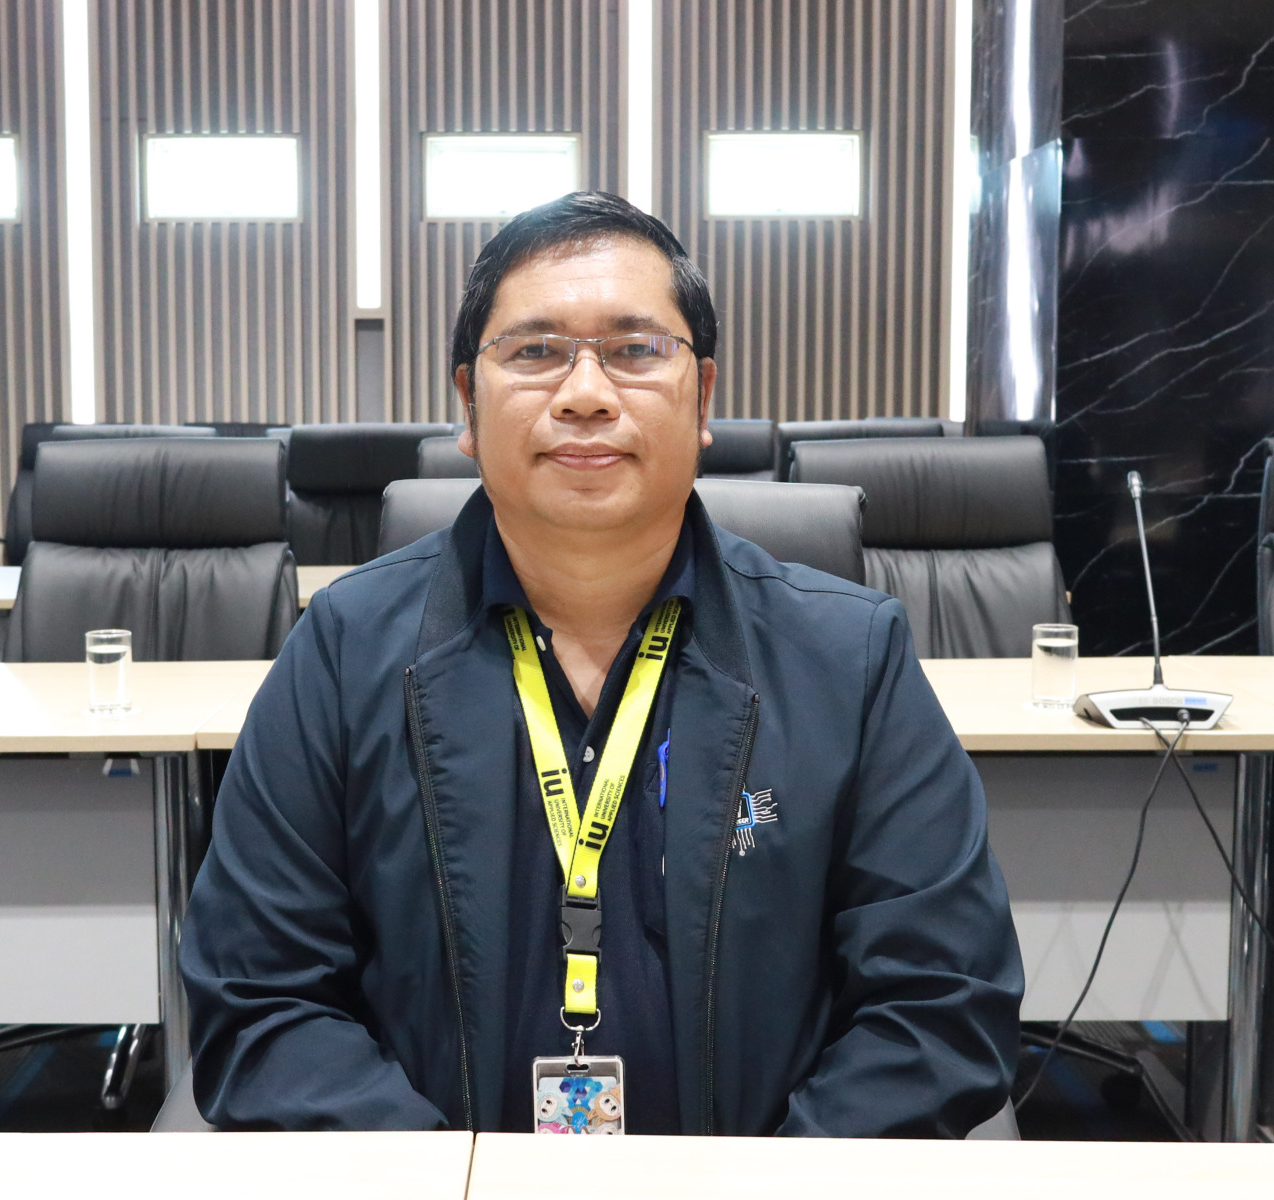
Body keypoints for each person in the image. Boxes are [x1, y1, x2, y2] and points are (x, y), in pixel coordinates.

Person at [180, 190, 1023, 1136]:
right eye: (535, 352)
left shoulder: (851, 660)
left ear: (703, 398)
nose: (585, 392)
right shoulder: (342, 652)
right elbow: (259, 998)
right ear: (468, 406)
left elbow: (942, 1001)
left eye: (635, 349)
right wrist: (449, 1188)